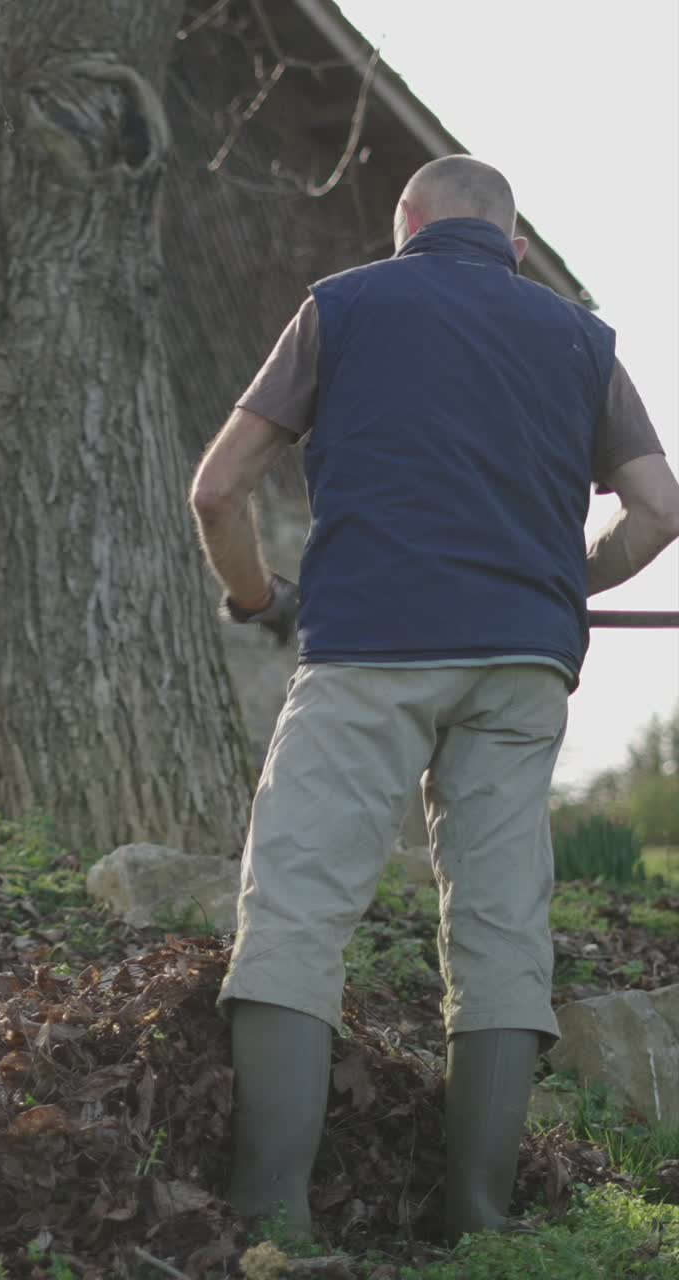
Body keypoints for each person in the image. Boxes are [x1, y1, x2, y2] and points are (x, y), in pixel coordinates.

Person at [190, 155, 679, 1245]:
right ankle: (484, 1223)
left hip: (369, 646)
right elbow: (658, 506)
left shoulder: (342, 307)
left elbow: (217, 487)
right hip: (521, 664)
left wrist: (257, 596)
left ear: (404, 228)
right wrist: (562, 576)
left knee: (299, 910)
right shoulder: (581, 340)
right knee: (504, 923)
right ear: (512, 245)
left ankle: (274, 1220)